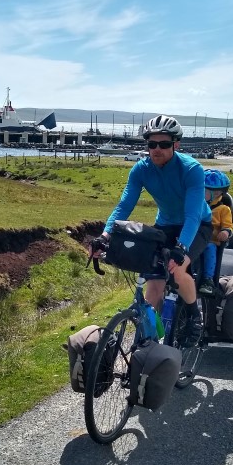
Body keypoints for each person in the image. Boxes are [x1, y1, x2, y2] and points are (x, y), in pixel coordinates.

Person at [93, 115, 213, 344]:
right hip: (166, 224)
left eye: (164, 144)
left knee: (178, 270)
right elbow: (125, 205)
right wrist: (105, 235)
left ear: (176, 144)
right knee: (154, 279)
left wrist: (181, 248)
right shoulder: (141, 170)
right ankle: (147, 340)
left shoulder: (191, 169)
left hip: (197, 225)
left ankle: (193, 316)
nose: (157, 149)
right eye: (152, 144)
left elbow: (193, 215)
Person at [199, 169, 233, 295]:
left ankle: (208, 280)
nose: (201, 193)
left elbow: (229, 226)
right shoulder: (196, 205)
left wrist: (225, 232)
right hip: (194, 239)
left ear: (217, 193)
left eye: (205, 191)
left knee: (209, 248)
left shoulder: (223, 209)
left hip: (210, 240)